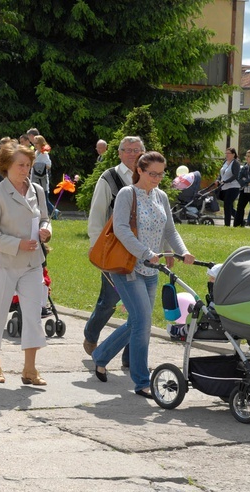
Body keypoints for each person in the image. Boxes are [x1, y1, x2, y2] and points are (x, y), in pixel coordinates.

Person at [92, 152, 195, 398]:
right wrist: (145, 252)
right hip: (128, 267)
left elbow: (170, 229)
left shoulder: (161, 196)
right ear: (139, 170)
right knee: (142, 323)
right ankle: (141, 380)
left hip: (152, 268)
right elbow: (121, 229)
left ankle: (101, 355)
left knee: (138, 321)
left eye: (161, 174)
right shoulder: (128, 194)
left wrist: (183, 251)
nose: (157, 178)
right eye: (152, 174)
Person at [0, 144, 52, 385]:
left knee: (33, 315)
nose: (26, 170)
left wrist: (46, 230)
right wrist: (17, 244)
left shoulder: (38, 190)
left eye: (28, 165)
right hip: (1, 263)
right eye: (21, 165)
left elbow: (45, 218)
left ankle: (30, 370)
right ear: (6, 167)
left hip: (32, 264)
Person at [83, 136, 145, 364]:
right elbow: (97, 213)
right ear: (119, 153)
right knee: (109, 299)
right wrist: (96, 247)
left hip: (141, 251)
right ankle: (91, 333)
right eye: (127, 150)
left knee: (138, 306)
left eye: (136, 150)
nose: (131, 154)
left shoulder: (148, 177)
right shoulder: (109, 178)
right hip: (114, 250)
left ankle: (131, 356)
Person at [216, 147, 240, 227]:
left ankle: (227, 224)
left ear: (233, 154)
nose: (227, 155)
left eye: (228, 153)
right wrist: (218, 180)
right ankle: (240, 219)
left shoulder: (235, 163)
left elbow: (235, 175)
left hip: (233, 186)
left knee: (227, 204)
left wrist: (226, 181)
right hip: (224, 187)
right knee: (228, 205)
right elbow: (221, 173)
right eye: (226, 153)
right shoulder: (225, 162)